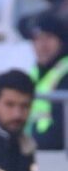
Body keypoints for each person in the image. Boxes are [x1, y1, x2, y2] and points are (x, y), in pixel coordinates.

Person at [25, 12, 68, 150]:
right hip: (35, 150)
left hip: (55, 153)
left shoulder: (65, 72)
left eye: (48, 37)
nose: (42, 45)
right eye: (37, 39)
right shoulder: (36, 72)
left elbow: (61, 128)